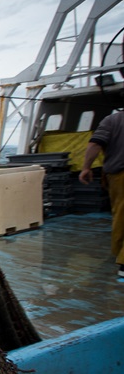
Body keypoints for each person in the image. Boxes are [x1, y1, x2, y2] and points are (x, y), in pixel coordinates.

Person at [79, 109, 124, 283]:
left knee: (120, 214)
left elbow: (95, 144)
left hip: (117, 175)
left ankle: (119, 253)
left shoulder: (112, 120)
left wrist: (86, 167)